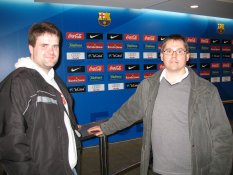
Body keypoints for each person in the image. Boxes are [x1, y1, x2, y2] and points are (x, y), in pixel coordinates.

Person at [88, 34, 233, 175]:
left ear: (187, 56)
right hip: (158, 169)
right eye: (168, 51)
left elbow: (222, 136)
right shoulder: (148, 86)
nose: (174, 55)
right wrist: (106, 128)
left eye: (180, 51)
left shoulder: (206, 90)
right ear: (162, 56)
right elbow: (128, 113)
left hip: (195, 169)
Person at [0, 21, 81, 175]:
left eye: (55, 46)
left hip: (67, 169)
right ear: (31, 48)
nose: (51, 51)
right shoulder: (18, 82)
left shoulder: (54, 80)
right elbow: (11, 145)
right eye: (44, 45)